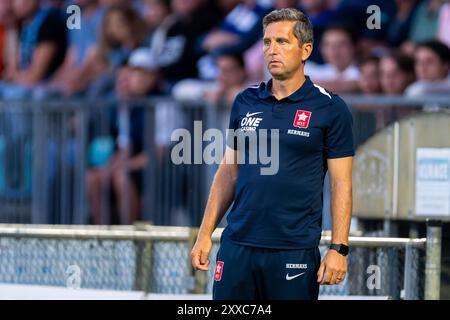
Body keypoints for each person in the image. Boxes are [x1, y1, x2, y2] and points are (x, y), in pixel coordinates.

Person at [191, 8, 354, 300]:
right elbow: (228, 171)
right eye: (267, 42)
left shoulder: (331, 108)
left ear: (306, 50)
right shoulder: (245, 100)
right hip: (237, 245)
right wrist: (205, 234)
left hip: (293, 250)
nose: (272, 50)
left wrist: (338, 248)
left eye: (282, 42)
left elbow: (341, 183)